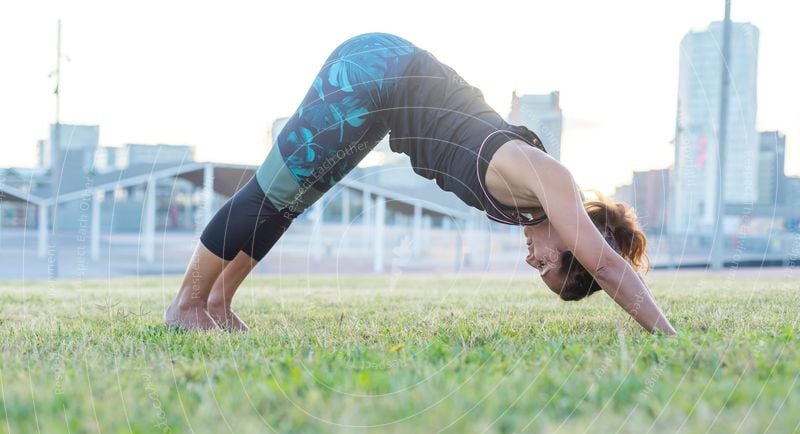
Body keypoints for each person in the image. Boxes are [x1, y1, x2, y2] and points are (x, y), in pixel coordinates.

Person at [165, 32, 675, 335]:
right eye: (544, 262)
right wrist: (670, 337)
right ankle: (186, 304)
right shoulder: (549, 178)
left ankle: (218, 303)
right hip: (376, 70)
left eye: (535, 268)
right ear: (576, 243)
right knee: (270, 191)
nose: (529, 259)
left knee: (288, 203)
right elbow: (607, 266)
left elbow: (602, 259)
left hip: (384, 109)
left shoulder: (527, 208)